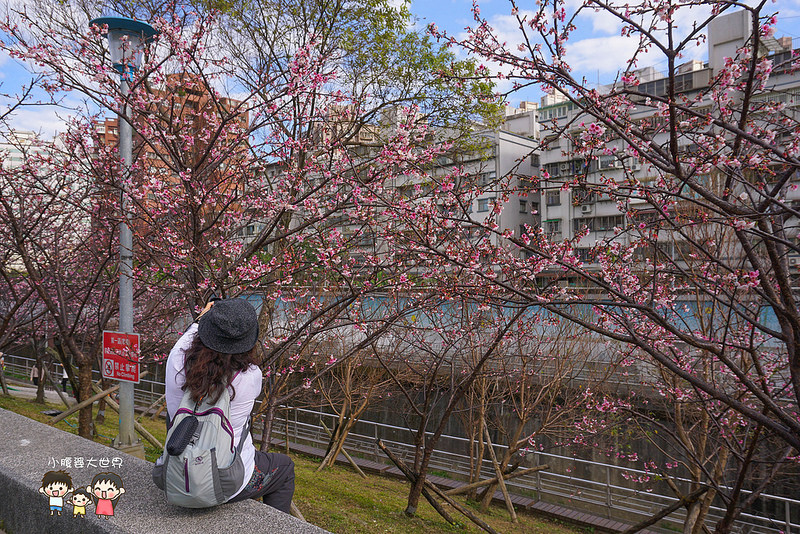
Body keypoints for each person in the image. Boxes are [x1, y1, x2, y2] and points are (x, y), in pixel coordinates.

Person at [162, 298, 295, 513]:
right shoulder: (250, 377)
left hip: (176, 472)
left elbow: (192, 330)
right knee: (285, 467)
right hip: (225, 485)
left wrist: (206, 314)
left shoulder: (177, 356)